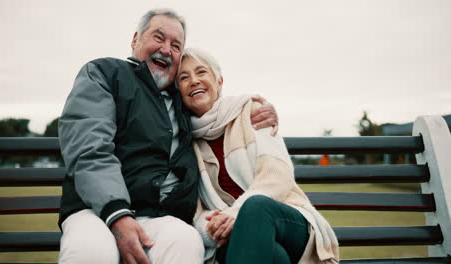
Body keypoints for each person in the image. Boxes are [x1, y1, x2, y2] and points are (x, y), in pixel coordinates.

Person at [57, 8, 278, 264]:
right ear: (135, 39)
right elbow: (89, 149)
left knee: (185, 241)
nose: (166, 49)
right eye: (158, 37)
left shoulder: (181, 98)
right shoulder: (104, 73)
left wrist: (256, 109)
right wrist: (117, 214)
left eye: (176, 45)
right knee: (93, 252)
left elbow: (216, 109)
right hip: (95, 211)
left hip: (157, 217)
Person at [176, 48, 340, 264]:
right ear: (178, 91)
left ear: (219, 82)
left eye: (201, 72)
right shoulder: (185, 142)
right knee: (273, 257)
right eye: (184, 77)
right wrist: (210, 228)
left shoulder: (250, 111)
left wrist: (236, 213)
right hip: (236, 238)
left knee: (255, 208)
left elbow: (277, 176)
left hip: (285, 221)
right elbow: (195, 209)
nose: (194, 80)